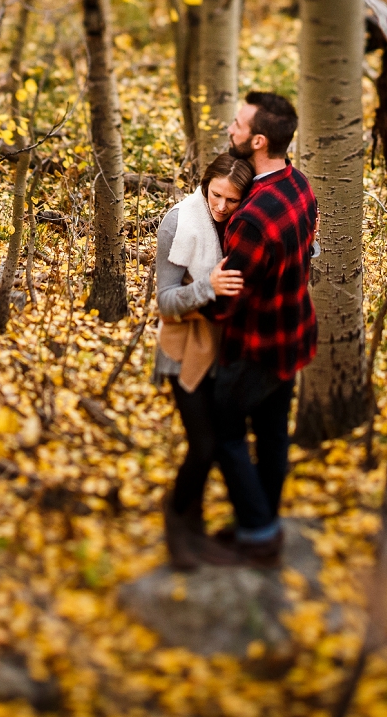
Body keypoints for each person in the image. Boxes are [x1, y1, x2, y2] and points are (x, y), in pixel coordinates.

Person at [204, 90, 317, 568]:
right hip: (292, 336)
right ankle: (263, 521)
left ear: (258, 141)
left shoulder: (251, 218)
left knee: (221, 433)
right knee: (271, 434)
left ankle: (259, 531)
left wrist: (200, 293)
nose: (230, 129)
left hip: (255, 346)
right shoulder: (299, 184)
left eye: (238, 124)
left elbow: (228, 299)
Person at [152, 152, 252, 570]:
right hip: (181, 348)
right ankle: (176, 524)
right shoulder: (179, 222)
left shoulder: (243, 224)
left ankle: (194, 526)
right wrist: (207, 289)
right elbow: (165, 302)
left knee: (216, 447)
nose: (220, 207)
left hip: (223, 351)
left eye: (231, 200)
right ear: (204, 185)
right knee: (204, 443)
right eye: (215, 195)